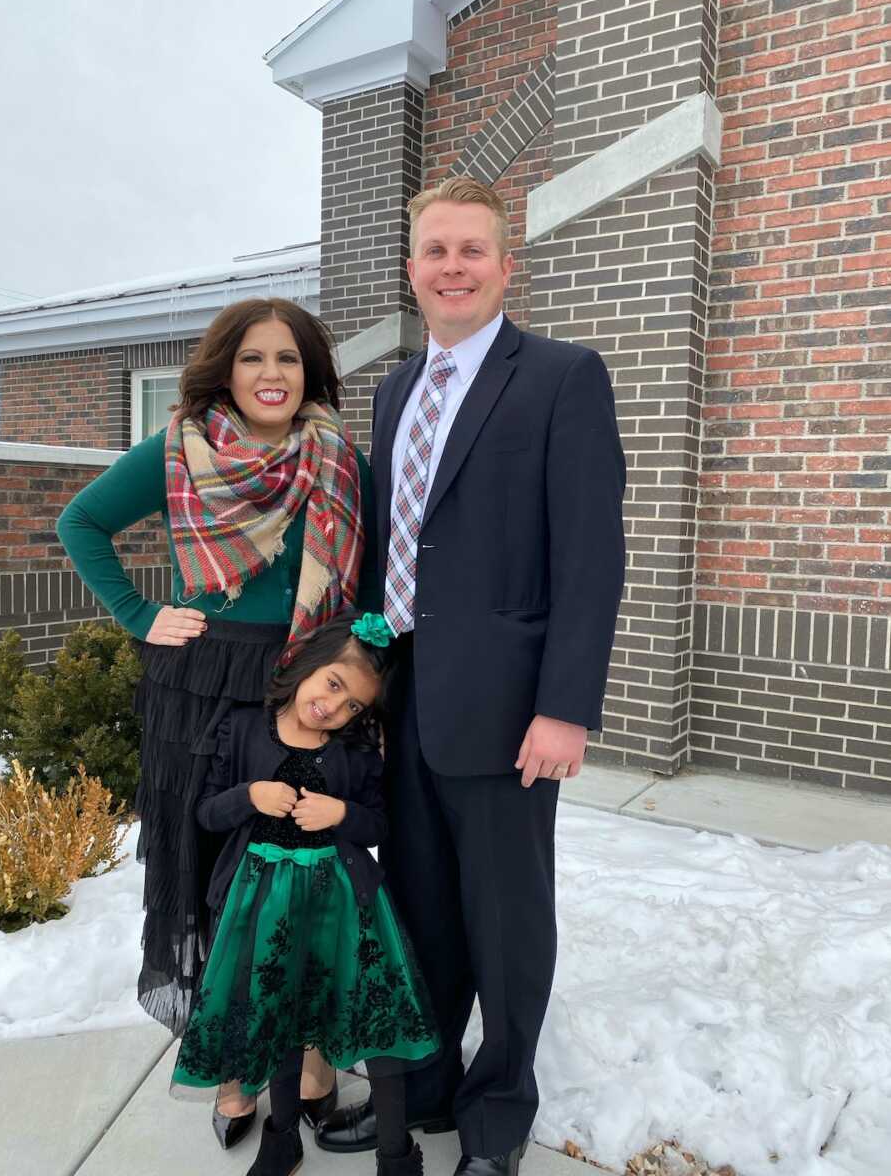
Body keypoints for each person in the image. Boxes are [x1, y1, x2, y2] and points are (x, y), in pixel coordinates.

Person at [315, 177, 626, 1176]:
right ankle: (429, 1085)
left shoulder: (562, 378)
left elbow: (590, 557)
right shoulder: (396, 389)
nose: (453, 267)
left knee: (505, 919)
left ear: (505, 263)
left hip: (504, 712)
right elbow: (397, 546)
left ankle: (497, 1115)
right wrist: (360, 666)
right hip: (402, 699)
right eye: (435, 251)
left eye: (472, 251)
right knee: (419, 911)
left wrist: (565, 708)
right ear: (412, 270)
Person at [56, 297, 378, 1146]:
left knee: (305, 875)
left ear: (311, 373)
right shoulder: (177, 454)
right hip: (199, 687)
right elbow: (79, 521)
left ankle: (310, 1063)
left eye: (288, 359)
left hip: (305, 682)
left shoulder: (343, 463)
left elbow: (371, 579)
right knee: (214, 878)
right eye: (252, 359)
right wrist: (137, 612)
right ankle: (232, 1072)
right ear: (224, 370)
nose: (271, 375)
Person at [171, 609, 437, 1176]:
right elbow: (207, 812)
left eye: (353, 706)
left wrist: (342, 813)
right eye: (334, 685)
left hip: (342, 905)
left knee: (376, 1022)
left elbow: (377, 826)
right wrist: (251, 796)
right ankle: (282, 1136)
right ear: (305, 664)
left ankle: (396, 1156)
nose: (335, 708)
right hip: (265, 901)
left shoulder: (355, 752)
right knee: (281, 1019)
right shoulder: (243, 727)